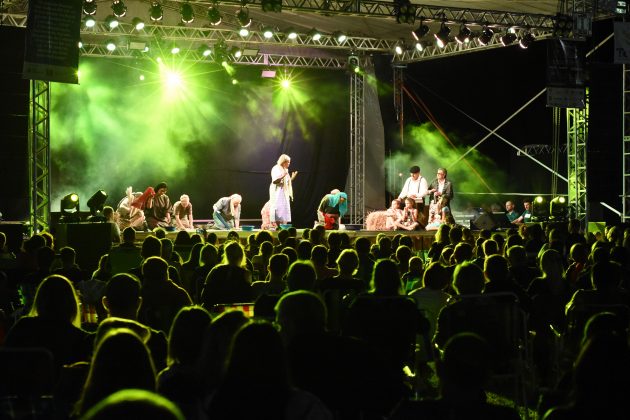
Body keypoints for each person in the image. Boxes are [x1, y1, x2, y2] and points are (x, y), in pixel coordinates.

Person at [269, 154, 298, 226]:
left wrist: (292, 178)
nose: (289, 164)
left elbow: (286, 183)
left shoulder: (285, 170)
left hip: (284, 192)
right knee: (278, 209)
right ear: (283, 162)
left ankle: (284, 227)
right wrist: (284, 175)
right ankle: (279, 226)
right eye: (288, 162)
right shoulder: (276, 168)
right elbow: (275, 181)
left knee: (284, 210)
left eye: (289, 162)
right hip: (277, 192)